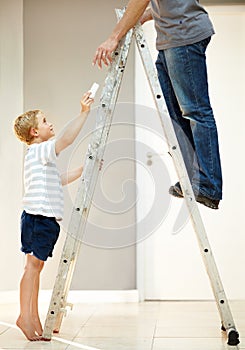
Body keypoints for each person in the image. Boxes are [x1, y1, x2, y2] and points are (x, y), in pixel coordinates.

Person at [93, 0, 222, 210]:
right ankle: (193, 179)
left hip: (183, 36)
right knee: (175, 115)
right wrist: (142, 16)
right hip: (171, 39)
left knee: (196, 112)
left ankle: (209, 185)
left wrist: (113, 37)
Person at [13, 91, 94, 341]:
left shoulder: (40, 158)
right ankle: (24, 316)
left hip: (40, 218)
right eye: (45, 121)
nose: (50, 124)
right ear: (35, 133)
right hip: (39, 218)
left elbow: (57, 181)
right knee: (32, 268)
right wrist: (83, 113)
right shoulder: (38, 151)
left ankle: (32, 315)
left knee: (34, 268)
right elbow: (66, 140)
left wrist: (83, 169)